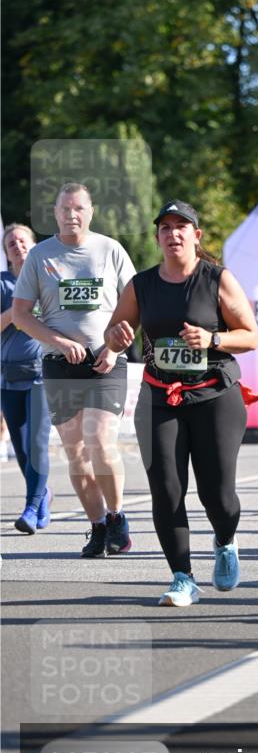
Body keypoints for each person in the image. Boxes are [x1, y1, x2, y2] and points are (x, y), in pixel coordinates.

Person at [105, 200, 258, 606]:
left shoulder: (217, 279)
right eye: (165, 228)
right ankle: (182, 577)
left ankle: (225, 540)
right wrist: (116, 338)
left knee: (218, 494)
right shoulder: (142, 285)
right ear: (157, 237)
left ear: (196, 235)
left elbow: (251, 335)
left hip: (214, 396)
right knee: (167, 490)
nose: (173, 234)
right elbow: (115, 331)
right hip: (160, 397)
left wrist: (214, 340)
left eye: (181, 227)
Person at [12, 183, 135, 557]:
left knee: (100, 440)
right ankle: (97, 527)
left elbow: (136, 303)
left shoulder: (109, 249)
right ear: (55, 213)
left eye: (79, 208)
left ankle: (116, 517)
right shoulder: (40, 255)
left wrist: (115, 348)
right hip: (59, 365)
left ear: (91, 212)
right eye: (65, 209)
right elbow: (19, 315)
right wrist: (60, 342)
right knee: (76, 452)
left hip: (105, 361)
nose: (72, 215)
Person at [1, 224, 52, 533]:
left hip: (42, 375)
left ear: (34, 245)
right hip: (8, 378)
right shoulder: (3, 284)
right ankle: (41, 494)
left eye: (22, 240)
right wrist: (19, 308)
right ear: (6, 253)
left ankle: (31, 507)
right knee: (21, 449)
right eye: (10, 243)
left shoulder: (49, 280)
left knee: (37, 443)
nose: (17, 246)